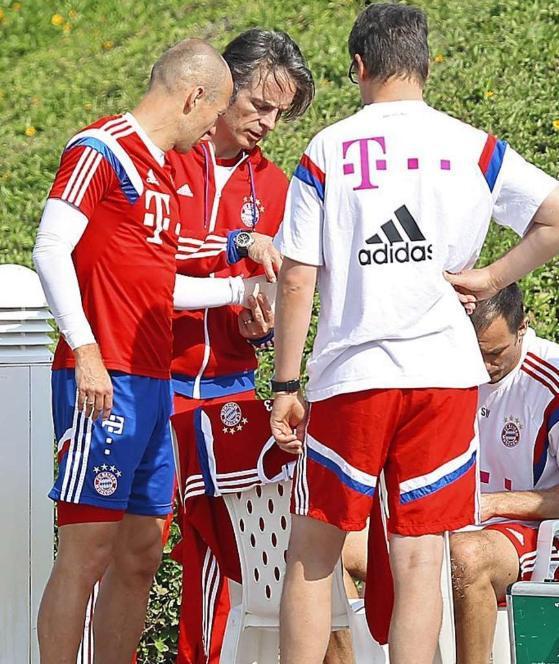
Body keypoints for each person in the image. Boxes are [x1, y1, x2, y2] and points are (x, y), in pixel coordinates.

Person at [269, 3, 559, 663]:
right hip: (444, 376)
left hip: (354, 373)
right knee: (421, 553)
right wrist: (491, 277)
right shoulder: (472, 145)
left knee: (314, 547)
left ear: (358, 66)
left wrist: (284, 384)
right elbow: (552, 217)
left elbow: (296, 277)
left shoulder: (327, 149)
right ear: (426, 65)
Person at [32, 39, 233, 664]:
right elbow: (50, 248)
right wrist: (85, 348)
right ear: (194, 96)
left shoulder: (163, 170)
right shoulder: (101, 148)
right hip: (102, 376)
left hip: (151, 380)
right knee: (87, 549)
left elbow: (160, 282)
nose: (212, 133)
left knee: (143, 550)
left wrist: (245, 288)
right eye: (214, 115)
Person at [167, 29, 316, 664]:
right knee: (127, 547)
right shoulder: (167, 157)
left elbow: (278, 294)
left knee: (231, 551)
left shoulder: (276, 187)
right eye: (259, 104)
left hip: (228, 386)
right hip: (150, 379)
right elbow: (144, 261)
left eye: (279, 113)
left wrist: (262, 329)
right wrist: (235, 248)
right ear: (223, 86)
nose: (268, 123)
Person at [451, 284, 559, 664]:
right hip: (459, 522)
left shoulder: (551, 378)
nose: (483, 366)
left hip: (538, 534)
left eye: (495, 353)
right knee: (337, 546)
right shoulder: (447, 364)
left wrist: (492, 504)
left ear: (523, 326)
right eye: (475, 352)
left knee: (465, 556)